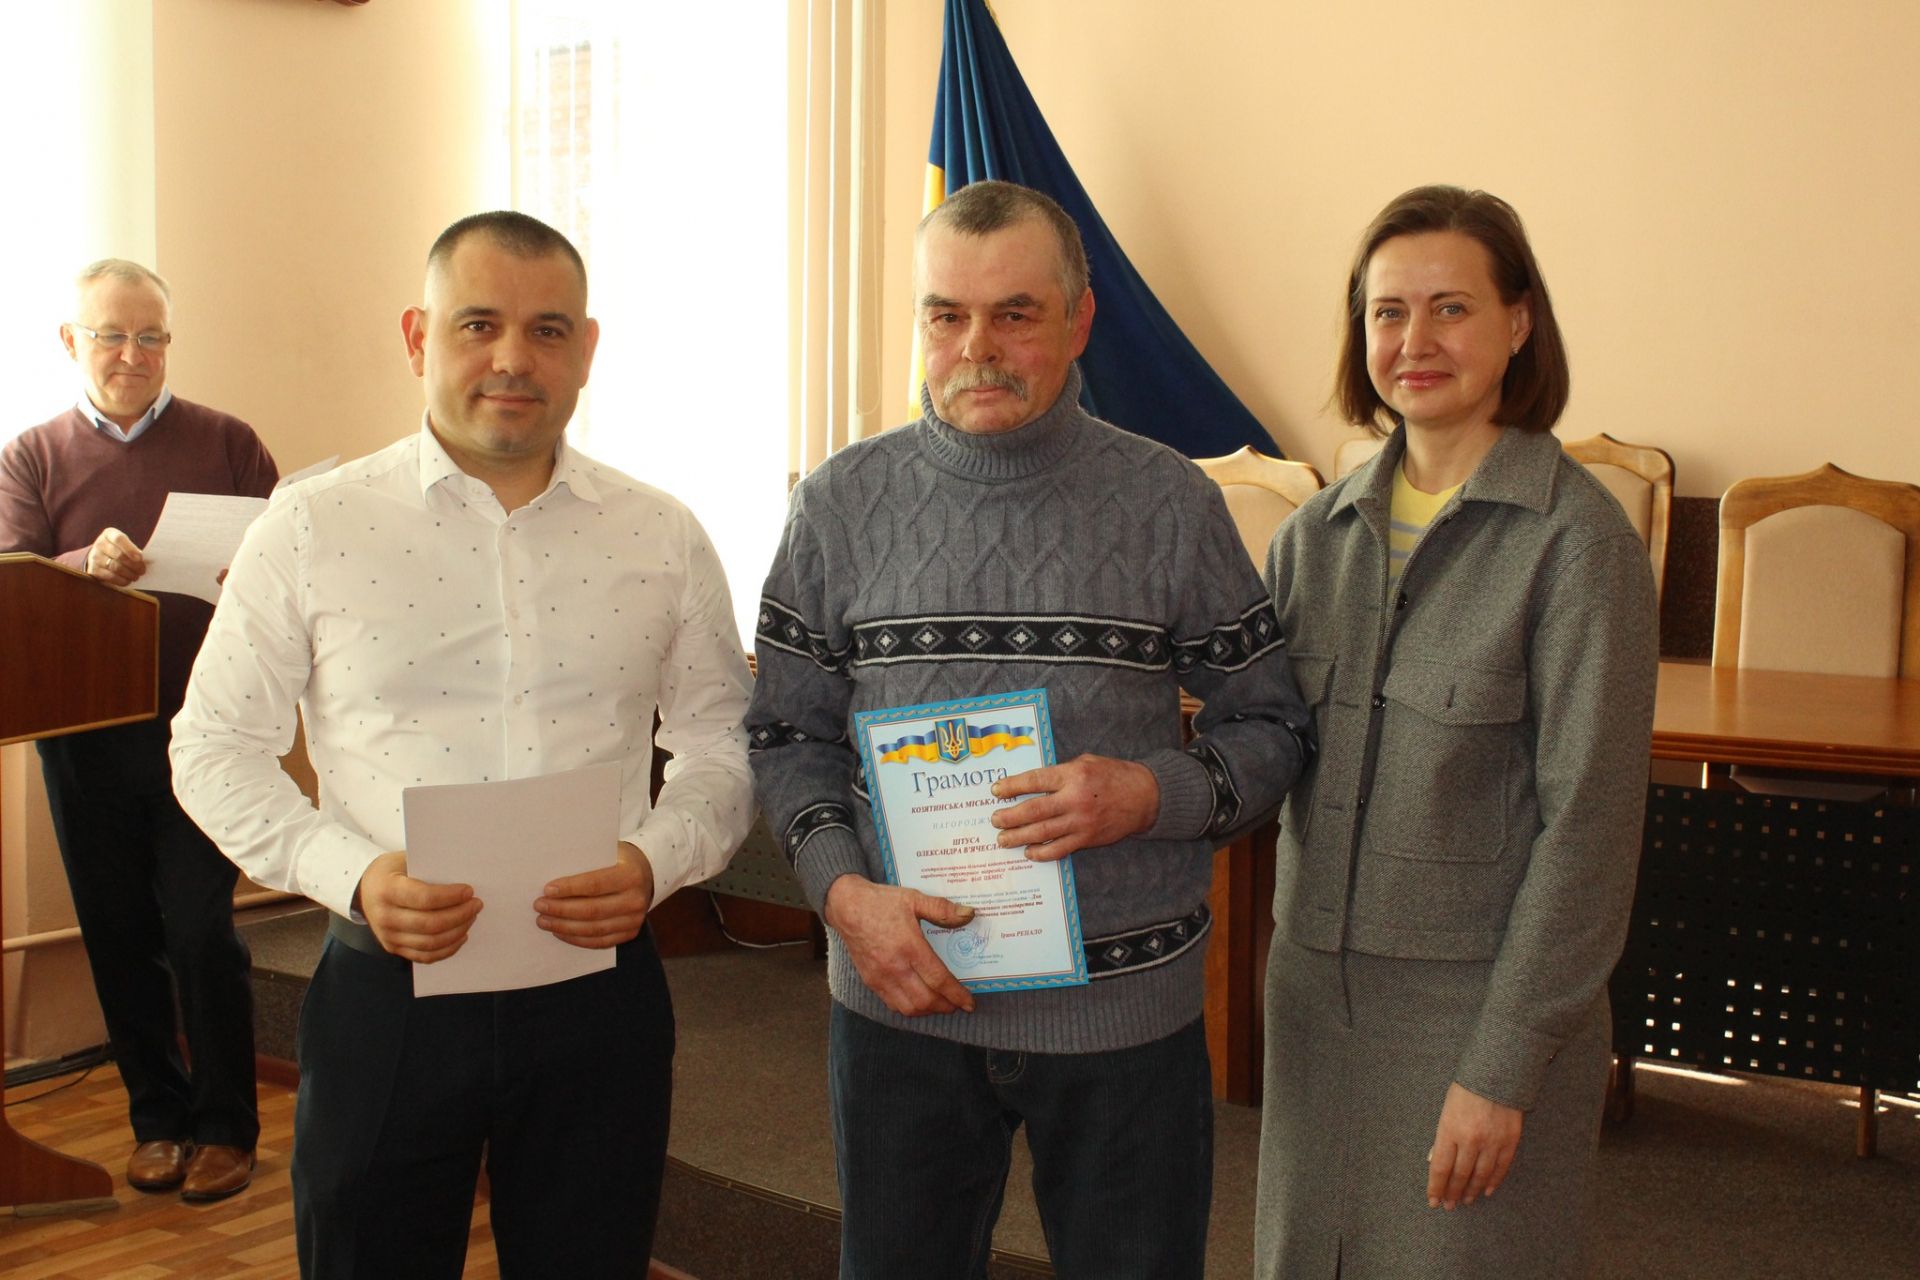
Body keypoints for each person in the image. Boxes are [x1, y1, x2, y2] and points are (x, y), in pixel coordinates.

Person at [171, 211, 753, 1278]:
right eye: (478, 324)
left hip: (599, 994)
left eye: (547, 329)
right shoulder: (309, 527)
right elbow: (212, 747)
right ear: (418, 336)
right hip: (387, 991)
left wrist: (653, 862)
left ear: (586, 348)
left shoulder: (663, 535)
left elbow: (721, 744)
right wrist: (350, 875)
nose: (511, 358)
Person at [747, 179, 1311, 1280]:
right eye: (946, 315)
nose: (977, 349)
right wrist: (844, 898)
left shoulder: (1172, 503)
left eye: (1015, 313)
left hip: (1122, 1017)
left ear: (1079, 319)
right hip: (900, 1002)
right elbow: (784, 737)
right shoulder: (836, 505)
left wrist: (1149, 794)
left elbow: (1273, 727)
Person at [1253, 185, 1659, 1278]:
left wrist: (1504, 1066)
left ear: (1519, 322)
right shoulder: (1311, 540)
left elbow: (1589, 834)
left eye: (1451, 308)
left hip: (1473, 1015)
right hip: (1313, 1004)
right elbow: (1258, 751)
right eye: (1388, 312)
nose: (1414, 341)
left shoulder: (1577, 546)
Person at [0, 259, 275, 1201]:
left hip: (209, 731)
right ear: (70, 342)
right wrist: (83, 561)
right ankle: (156, 1119)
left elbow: (290, 562)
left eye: (151, 336)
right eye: (111, 335)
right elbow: (14, 583)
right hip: (82, 739)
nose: (132, 354)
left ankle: (226, 1128)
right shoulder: (30, 456)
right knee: (118, 935)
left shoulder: (229, 442)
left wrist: (257, 577)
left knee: (202, 933)